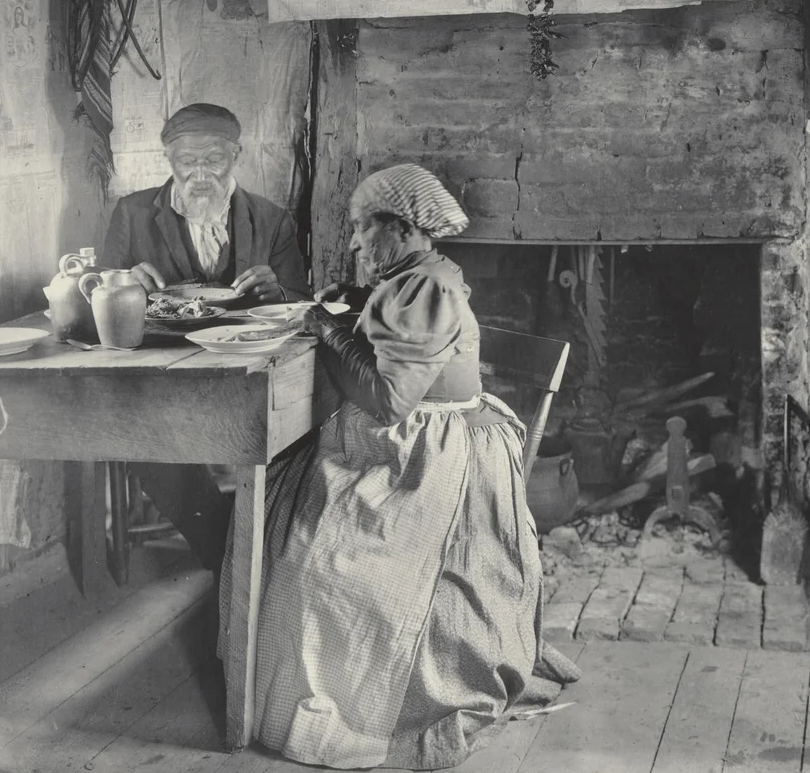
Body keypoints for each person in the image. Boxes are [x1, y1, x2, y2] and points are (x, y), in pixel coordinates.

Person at [217, 164, 578, 770]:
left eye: (363, 229)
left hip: (432, 454)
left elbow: (388, 400)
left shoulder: (428, 288)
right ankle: (279, 681)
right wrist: (310, 307)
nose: (355, 243)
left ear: (403, 227)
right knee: (281, 512)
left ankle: (355, 707)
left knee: (311, 560)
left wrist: (327, 328)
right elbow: (369, 326)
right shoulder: (411, 275)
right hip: (400, 439)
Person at [101, 102, 309, 572]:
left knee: (292, 432)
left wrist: (277, 290)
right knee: (143, 437)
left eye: (212, 159)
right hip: (159, 379)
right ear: (169, 161)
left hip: (242, 375)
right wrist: (124, 282)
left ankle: (260, 550)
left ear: (235, 156)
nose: (199, 174)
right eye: (186, 161)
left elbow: (302, 302)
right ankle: (226, 555)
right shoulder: (133, 214)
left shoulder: (271, 219)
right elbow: (100, 291)